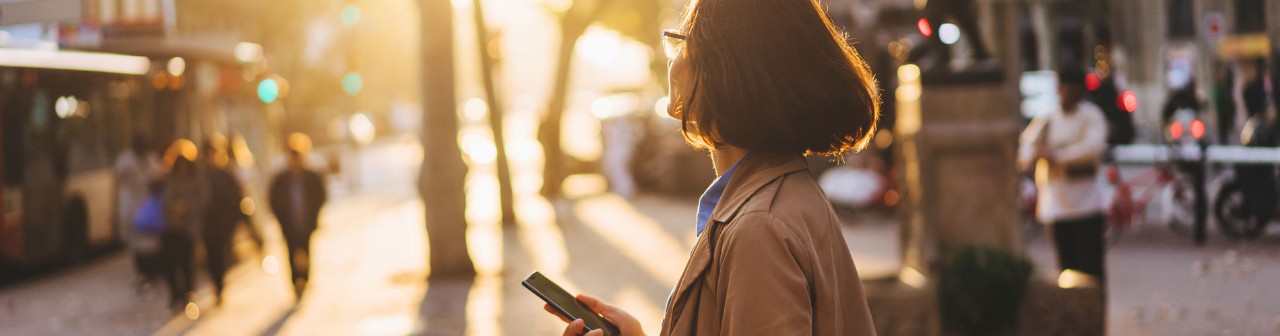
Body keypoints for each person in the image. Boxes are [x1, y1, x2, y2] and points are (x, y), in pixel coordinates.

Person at [551, 0, 880, 333]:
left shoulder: (759, 226)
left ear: (726, 70)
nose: (674, 59)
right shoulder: (784, 195)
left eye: (683, 41)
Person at [1017, 65, 1108, 287]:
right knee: (1066, 271)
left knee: (1091, 271)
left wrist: (1058, 156)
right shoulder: (1047, 118)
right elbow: (1025, 149)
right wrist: (1036, 155)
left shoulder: (1091, 116)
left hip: (1087, 205)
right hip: (1057, 206)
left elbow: (1093, 147)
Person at [268, 134, 327, 301]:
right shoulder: (281, 179)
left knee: (306, 250)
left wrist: (315, 215)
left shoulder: (311, 176)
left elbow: (320, 196)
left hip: (306, 221)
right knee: (291, 253)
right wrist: (280, 217)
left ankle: (305, 279)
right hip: (289, 223)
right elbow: (273, 200)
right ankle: (295, 282)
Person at [200, 138, 251, 305]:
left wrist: (236, 219)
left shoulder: (226, 175)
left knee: (223, 255)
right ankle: (218, 285)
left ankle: (221, 283)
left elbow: (237, 197)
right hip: (208, 224)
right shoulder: (201, 176)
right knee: (212, 256)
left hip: (224, 223)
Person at [161, 141, 208, 311]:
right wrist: (173, 208)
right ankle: (175, 294)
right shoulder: (171, 179)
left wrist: (186, 208)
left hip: (189, 227)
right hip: (172, 227)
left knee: (187, 262)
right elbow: (165, 201)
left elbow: (202, 199)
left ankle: (188, 293)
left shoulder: (197, 178)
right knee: (170, 262)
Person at [114, 134, 161, 284]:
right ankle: (143, 274)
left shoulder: (151, 159)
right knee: (136, 244)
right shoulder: (125, 160)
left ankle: (150, 274)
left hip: (148, 208)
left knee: (150, 243)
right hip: (131, 206)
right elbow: (116, 181)